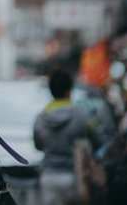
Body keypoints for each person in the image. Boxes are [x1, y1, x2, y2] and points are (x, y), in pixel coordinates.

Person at [34, 69, 100, 205]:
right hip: (76, 176)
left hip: (48, 178)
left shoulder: (40, 118)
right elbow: (97, 140)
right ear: (69, 90)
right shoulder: (82, 115)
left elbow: (38, 145)